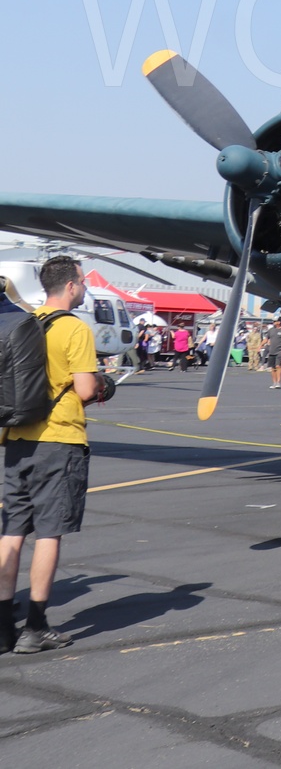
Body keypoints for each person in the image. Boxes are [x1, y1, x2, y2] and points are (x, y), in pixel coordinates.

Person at [2, 257, 108, 654]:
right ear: (71, 286)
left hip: (17, 437)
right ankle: (35, 626)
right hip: (58, 439)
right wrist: (102, 385)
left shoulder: (21, 322)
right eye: (81, 281)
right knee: (49, 532)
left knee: (12, 531)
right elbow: (83, 389)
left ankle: (2, 628)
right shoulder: (73, 328)